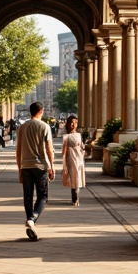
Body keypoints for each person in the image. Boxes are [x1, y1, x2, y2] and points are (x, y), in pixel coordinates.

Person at [16, 101, 55, 241]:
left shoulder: (22, 127)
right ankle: (32, 219)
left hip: (26, 166)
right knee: (43, 196)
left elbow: (18, 151)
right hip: (41, 166)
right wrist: (52, 166)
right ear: (41, 111)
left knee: (27, 196)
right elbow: (49, 150)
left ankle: (30, 223)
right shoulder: (45, 126)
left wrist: (19, 169)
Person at [60, 115, 86, 206]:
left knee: (77, 178)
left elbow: (82, 146)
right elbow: (63, 151)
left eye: (75, 123)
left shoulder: (79, 135)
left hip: (79, 158)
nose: (73, 125)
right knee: (75, 178)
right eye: (71, 123)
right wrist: (64, 164)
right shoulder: (66, 136)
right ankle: (75, 198)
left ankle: (75, 197)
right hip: (71, 158)